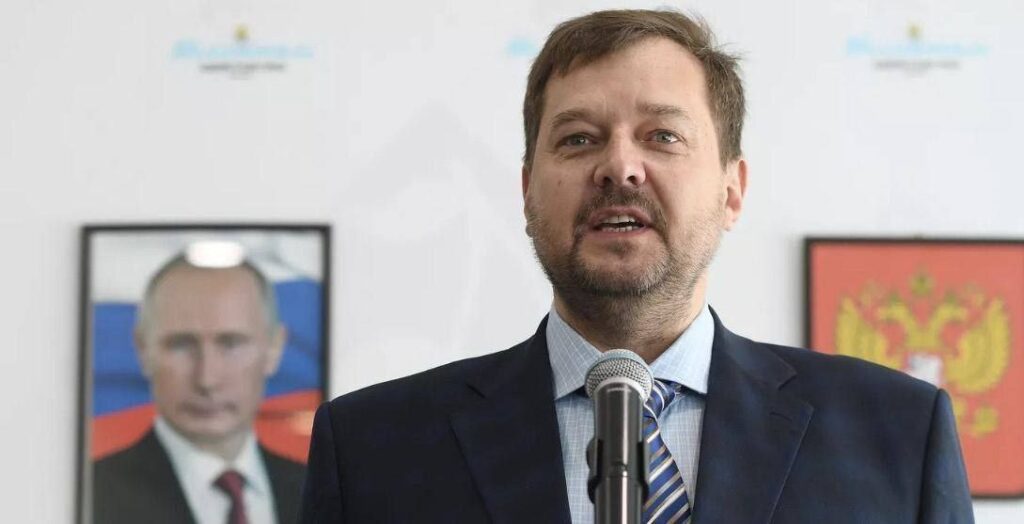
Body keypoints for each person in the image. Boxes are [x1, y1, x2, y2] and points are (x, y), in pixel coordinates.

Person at [299, 9, 973, 523]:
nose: (619, 166)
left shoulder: (899, 433)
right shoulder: (370, 449)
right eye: (579, 139)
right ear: (527, 191)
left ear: (732, 190)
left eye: (663, 136)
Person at [94, 254, 306, 524]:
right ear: (143, 350)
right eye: (181, 344)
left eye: (231, 343)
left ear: (274, 349)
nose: (207, 380)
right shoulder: (92, 492)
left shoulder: (319, 492)